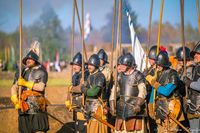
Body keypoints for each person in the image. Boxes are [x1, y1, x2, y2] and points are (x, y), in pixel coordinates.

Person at [10, 48, 49, 133]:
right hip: (23, 106)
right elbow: (14, 87)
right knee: (24, 130)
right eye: (27, 59)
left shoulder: (42, 72)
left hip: (37, 106)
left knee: (39, 130)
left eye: (30, 59)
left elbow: (41, 87)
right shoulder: (21, 72)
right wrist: (14, 98)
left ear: (35, 60)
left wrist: (26, 83)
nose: (28, 60)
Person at [146, 51, 185, 132]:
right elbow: (154, 91)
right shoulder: (158, 74)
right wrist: (150, 105)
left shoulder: (173, 74)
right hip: (159, 107)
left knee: (170, 131)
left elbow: (166, 91)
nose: (158, 66)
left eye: (160, 64)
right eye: (157, 64)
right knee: (160, 130)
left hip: (172, 108)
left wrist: (153, 82)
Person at [71, 54, 107, 133]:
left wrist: (83, 88)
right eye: (88, 65)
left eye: (91, 65)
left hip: (97, 108)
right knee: (89, 129)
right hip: (89, 108)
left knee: (97, 129)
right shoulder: (90, 76)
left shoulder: (100, 76)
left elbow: (93, 92)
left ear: (96, 65)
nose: (89, 67)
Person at [115, 53, 147, 132]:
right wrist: (112, 104)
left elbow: (142, 91)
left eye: (123, 65)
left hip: (134, 109)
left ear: (129, 65)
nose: (120, 67)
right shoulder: (119, 76)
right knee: (120, 130)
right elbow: (115, 91)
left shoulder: (138, 75)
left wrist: (138, 104)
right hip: (121, 109)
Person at [65, 52, 89, 133]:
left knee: (83, 127)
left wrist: (72, 88)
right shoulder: (74, 75)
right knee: (76, 126)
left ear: (81, 65)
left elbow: (81, 89)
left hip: (84, 104)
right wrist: (68, 100)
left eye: (77, 64)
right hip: (75, 104)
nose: (74, 67)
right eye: (73, 65)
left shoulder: (86, 74)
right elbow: (70, 89)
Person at [183, 41, 200, 132]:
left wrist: (189, 83)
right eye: (195, 54)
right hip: (193, 105)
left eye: (198, 54)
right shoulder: (196, 67)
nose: (195, 56)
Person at [175, 46, 193, 130]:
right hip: (183, 102)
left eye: (179, 59)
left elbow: (184, 87)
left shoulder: (190, 70)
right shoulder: (183, 69)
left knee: (188, 127)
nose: (178, 61)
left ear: (184, 59)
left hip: (189, 101)